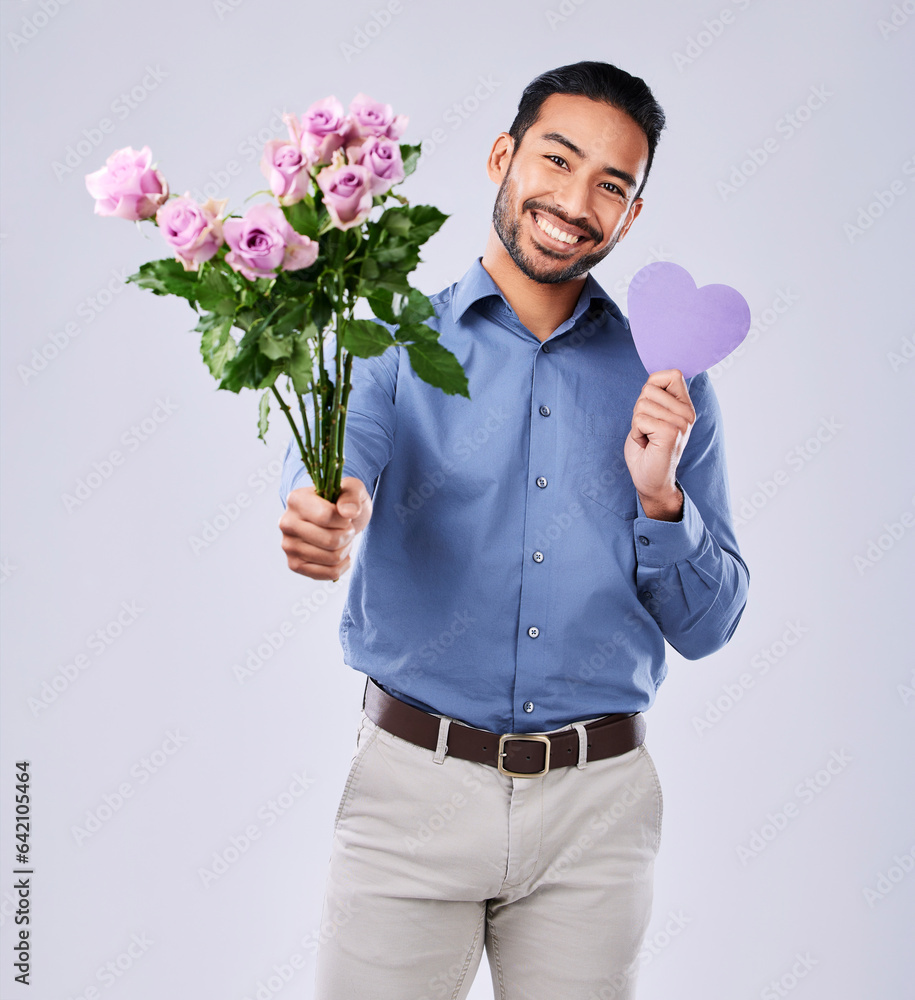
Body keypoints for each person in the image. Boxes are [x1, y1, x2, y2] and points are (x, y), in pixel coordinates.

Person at [278, 59, 749, 1000]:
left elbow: (709, 627)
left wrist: (661, 501)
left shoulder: (671, 377)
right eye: (557, 160)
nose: (576, 202)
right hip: (413, 791)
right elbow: (336, 468)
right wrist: (326, 512)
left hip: (596, 812)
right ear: (504, 156)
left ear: (630, 215)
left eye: (610, 186)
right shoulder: (391, 334)